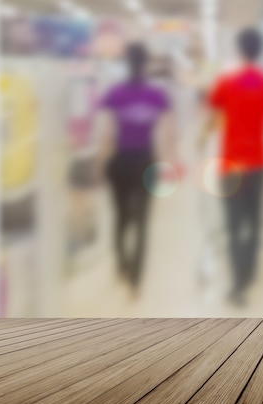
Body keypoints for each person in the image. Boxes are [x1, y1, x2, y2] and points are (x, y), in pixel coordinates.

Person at [200, 27, 263, 306]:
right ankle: (248, 273)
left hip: (231, 165)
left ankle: (238, 284)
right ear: (260, 51)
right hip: (259, 163)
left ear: (239, 50)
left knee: (234, 225)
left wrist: (201, 139)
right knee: (255, 221)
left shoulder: (226, 82)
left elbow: (212, 118)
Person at [97, 42, 175, 298]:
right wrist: (167, 166)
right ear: (146, 64)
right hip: (146, 162)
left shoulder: (114, 93)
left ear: (126, 62)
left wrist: (100, 164)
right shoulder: (157, 95)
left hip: (119, 162)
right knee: (142, 222)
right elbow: (167, 134)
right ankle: (136, 282)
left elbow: (106, 134)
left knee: (120, 218)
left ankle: (122, 265)